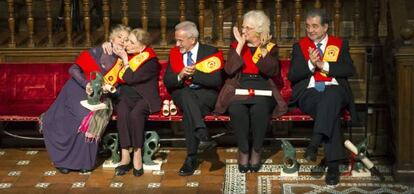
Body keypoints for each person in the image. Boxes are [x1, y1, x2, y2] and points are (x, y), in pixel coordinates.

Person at [40, 24, 130, 174]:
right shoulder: (97, 50)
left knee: (87, 119)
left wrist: (111, 89)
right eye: (119, 37)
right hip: (77, 89)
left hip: (100, 96)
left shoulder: (127, 59)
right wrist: (86, 83)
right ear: (111, 38)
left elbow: (123, 86)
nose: (122, 41)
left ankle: (83, 162)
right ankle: (62, 161)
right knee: (66, 119)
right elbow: (73, 69)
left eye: (126, 39)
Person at [287, 9, 356, 185]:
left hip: (336, 90)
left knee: (331, 94)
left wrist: (323, 65)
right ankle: (333, 166)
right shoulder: (299, 46)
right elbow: (293, 76)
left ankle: (314, 143)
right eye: (308, 26)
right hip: (310, 93)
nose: (310, 30)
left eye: (315, 26)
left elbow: (349, 70)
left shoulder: (340, 44)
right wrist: (311, 63)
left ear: (325, 27)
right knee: (329, 107)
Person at [214, 10, 287, 173]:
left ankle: (256, 150)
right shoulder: (236, 46)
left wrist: (262, 50)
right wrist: (240, 46)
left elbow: (272, 71)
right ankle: (244, 150)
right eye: (243, 27)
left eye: (249, 28)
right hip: (239, 87)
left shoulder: (270, 47)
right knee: (236, 109)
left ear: (259, 31)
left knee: (260, 109)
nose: (244, 31)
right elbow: (229, 70)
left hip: (262, 87)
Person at [163, 21, 224, 176]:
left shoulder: (211, 52)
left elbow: (216, 81)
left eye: (180, 40)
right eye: (176, 40)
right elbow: (168, 82)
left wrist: (193, 75)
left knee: (189, 112)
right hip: (181, 93)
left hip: (205, 95)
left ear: (192, 39)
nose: (177, 44)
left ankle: (191, 157)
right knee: (185, 94)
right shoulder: (175, 54)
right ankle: (202, 131)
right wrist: (180, 75)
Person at [112, 28, 161, 177]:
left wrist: (125, 60)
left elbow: (131, 78)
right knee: (122, 111)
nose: (127, 44)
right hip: (127, 96)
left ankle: (137, 154)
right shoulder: (128, 54)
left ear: (142, 45)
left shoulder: (150, 60)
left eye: (131, 42)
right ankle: (125, 155)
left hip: (145, 97)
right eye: (127, 41)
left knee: (135, 114)